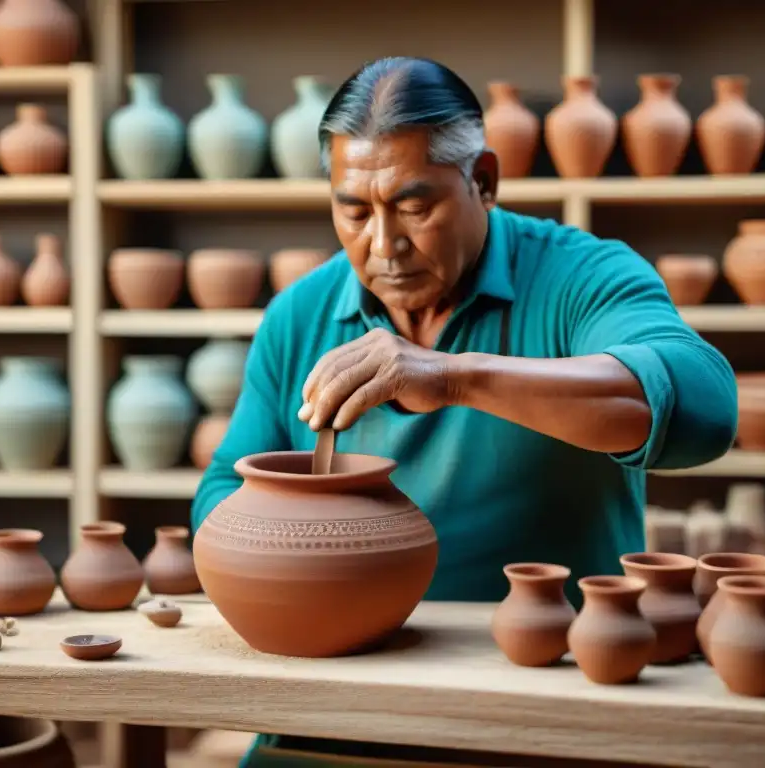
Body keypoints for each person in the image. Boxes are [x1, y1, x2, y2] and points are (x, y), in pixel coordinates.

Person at [191, 56, 737, 765]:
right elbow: (220, 494)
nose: (383, 245)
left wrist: (455, 377)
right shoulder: (300, 314)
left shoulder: (583, 276)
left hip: (547, 697)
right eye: (353, 210)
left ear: (483, 181)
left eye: (415, 207)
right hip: (340, 699)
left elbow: (704, 407)